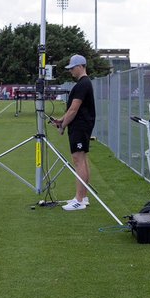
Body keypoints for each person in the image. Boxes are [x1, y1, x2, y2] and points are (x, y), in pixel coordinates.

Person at [54, 54, 95, 211]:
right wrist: (61, 120)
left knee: (78, 160)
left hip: (80, 127)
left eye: (72, 68)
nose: (70, 71)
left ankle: (79, 199)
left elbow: (73, 109)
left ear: (80, 66)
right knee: (82, 159)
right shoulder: (83, 84)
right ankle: (83, 197)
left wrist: (63, 125)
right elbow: (72, 110)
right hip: (81, 126)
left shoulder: (82, 85)